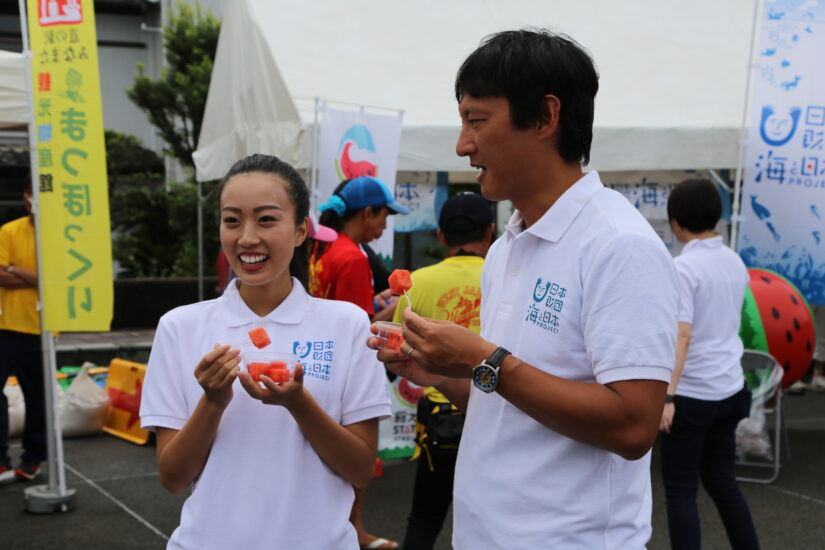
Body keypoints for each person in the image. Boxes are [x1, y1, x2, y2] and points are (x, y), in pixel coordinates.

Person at [369, 29, 679, 548]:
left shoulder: (619, 245)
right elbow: (509, 404)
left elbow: (633, 426)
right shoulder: (510, 244)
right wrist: (434, 374)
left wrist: (485, 358)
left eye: (476, 121)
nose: (463, 144)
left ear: (545, 117)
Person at [139, 154, 391, 549]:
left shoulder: (346, 324)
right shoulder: (181, 327)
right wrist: (213, 401)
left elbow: (360, 469)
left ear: (300, 230)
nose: (247, 237)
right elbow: (172, 478)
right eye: (232, 219)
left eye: (267, 219)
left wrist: (299, 403)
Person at [659, 178, 760, 550]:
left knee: (681, 491)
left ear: (676, 222)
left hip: (693, 394)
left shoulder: (683, 268)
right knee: (723, 484)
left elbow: (681, 336)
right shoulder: (734, 260)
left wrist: (667, 397)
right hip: (731, 388)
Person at [311, 175, 409, 550]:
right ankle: (354, 531)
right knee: (358, 454)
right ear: (367, 212)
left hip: (320, 360)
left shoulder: (324, 249)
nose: (385, 225)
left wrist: (379, 299)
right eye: (383, 216)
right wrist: (395, 308)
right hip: (347, 369)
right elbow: (361, 328)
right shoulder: (352, 256)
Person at [393, 192, 494, 550]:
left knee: (424, 519)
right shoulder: (503, 279)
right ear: (490, 233)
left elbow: (396, 347)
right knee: (496, 519)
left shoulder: (416, 281)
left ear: (440, 236)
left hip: (439, 419)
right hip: (498, 413)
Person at [0, 179, 45, 483]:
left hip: (41, 328)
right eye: (31, 193)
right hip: (4, 325)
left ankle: (33, 458)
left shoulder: (59, 236)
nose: (35, 200)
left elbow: (54, 279)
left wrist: (14, 269)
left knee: (38, 398)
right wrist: (37, 277)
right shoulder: (8, 231)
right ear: (25, 195)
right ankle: (1, 459)